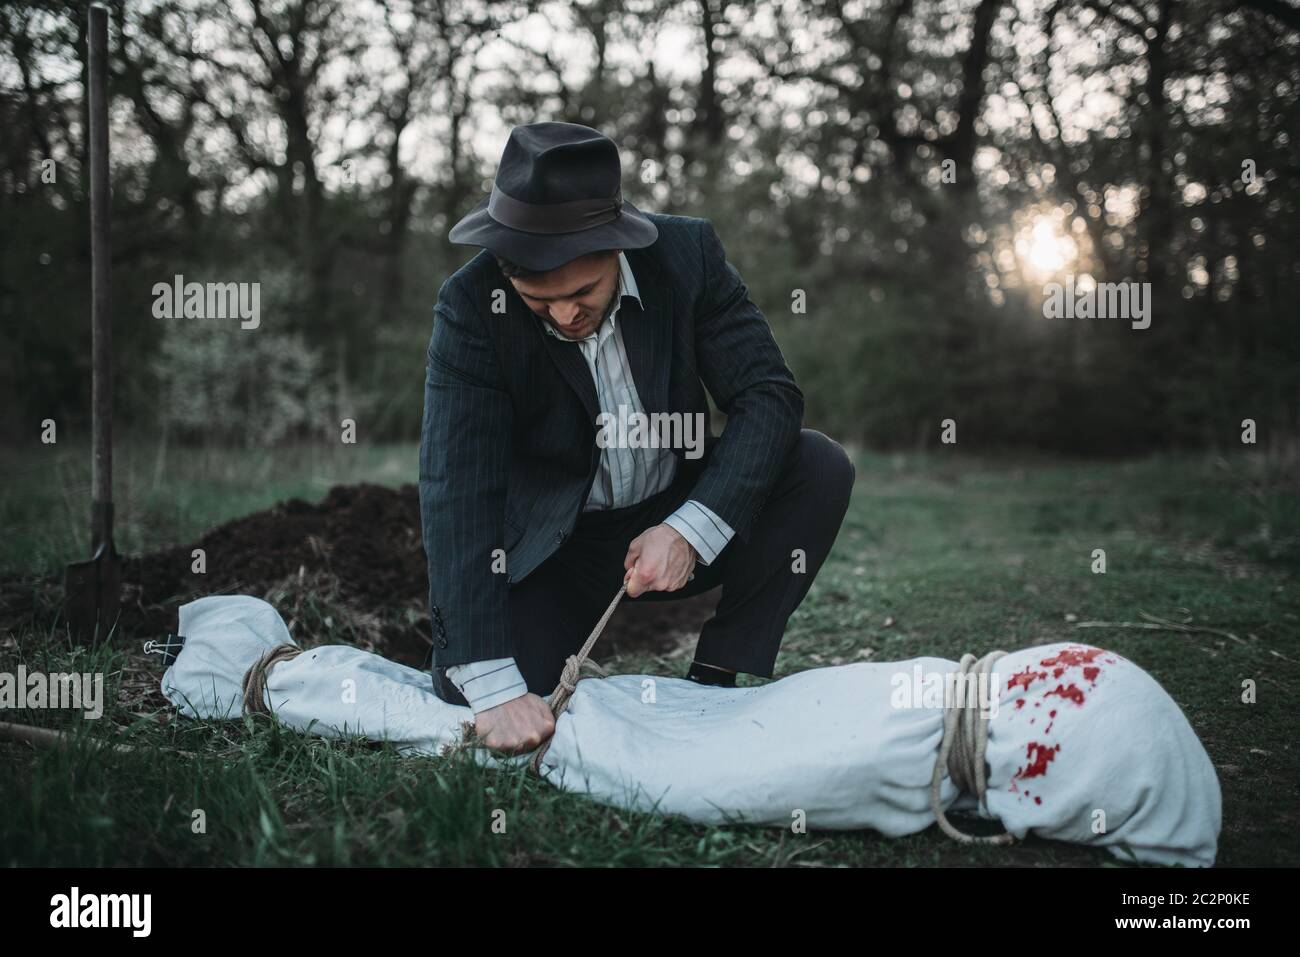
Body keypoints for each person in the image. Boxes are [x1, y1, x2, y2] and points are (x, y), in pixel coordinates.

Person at [421, 121, 854, 755]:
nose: (566, 317)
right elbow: (456, 487)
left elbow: (768, 395)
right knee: (488, 695)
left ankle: (716, 678)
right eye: (540, 304)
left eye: (581, 293)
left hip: (670, 512)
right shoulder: (468, 306)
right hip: (548, 549)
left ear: (618, 248)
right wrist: (490, 680)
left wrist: (690, 527)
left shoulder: (686, 257)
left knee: (818, 463)